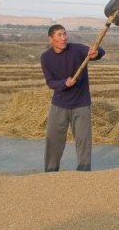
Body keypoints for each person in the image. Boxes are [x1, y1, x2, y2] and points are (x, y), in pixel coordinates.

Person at [40, 24, 105, 172]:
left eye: (65, 34)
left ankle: (83, 173)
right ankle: (50, 172)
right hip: (59, 105)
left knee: (83, 140)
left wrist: (96, 53)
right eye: (59, 35)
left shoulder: (76, 49)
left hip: (81, 104)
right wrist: (64, 82)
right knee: (53, 139)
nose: (64, 38)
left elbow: (99, 51)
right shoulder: (46, 58)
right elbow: (50, 82)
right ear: (51, 39)